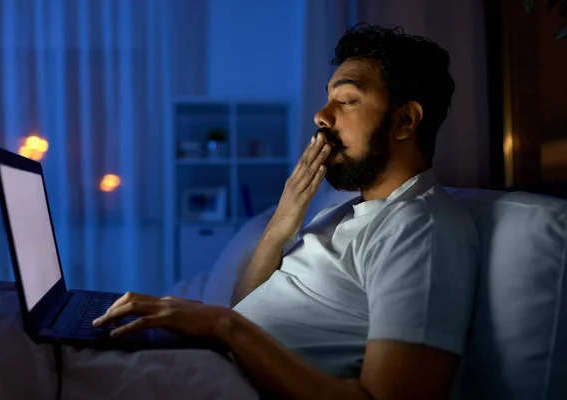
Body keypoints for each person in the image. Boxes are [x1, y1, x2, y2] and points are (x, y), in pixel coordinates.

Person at [93, 24, 479, 400]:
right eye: (328, 99)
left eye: (346, 101)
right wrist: (283, 221)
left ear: (405, 120)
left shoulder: (419, 227)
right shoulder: (345, 213)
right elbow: (245, 304)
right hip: (198, 368)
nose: (322, 116)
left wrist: (223, 325)